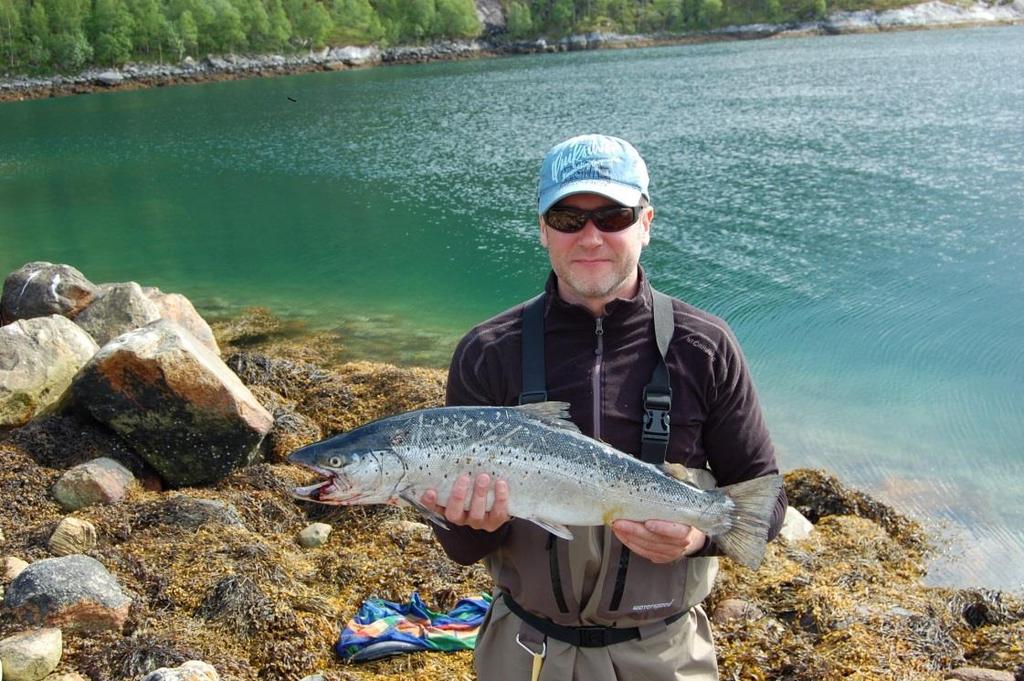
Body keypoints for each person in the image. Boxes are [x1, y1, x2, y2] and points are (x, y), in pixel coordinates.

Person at [420, 134, 787, 680]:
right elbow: (465, 550)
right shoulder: (487, 352)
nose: (590, 237)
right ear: (543, 229)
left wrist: (696, 537)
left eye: (613, 216)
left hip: (664, 653)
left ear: (646, 222)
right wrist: (469, 523)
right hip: (525, 652)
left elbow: (765, 500)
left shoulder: (704, 345)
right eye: (568, 218)